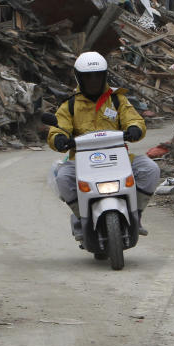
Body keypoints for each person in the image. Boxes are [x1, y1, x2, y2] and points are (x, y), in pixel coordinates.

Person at [48, 51, 161, 240]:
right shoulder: (69, 106)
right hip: (81, 161)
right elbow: (58, 128)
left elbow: (135, 120)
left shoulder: (117, 100)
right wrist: (59, 138)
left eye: (97, 76)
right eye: (88, 77)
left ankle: (136, 214)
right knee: (63, 177)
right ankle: (80, 217)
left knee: (150, 169)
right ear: (79, 78)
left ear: (104, 76)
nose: (93, 81)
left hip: (119, 158)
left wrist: (134, 129)